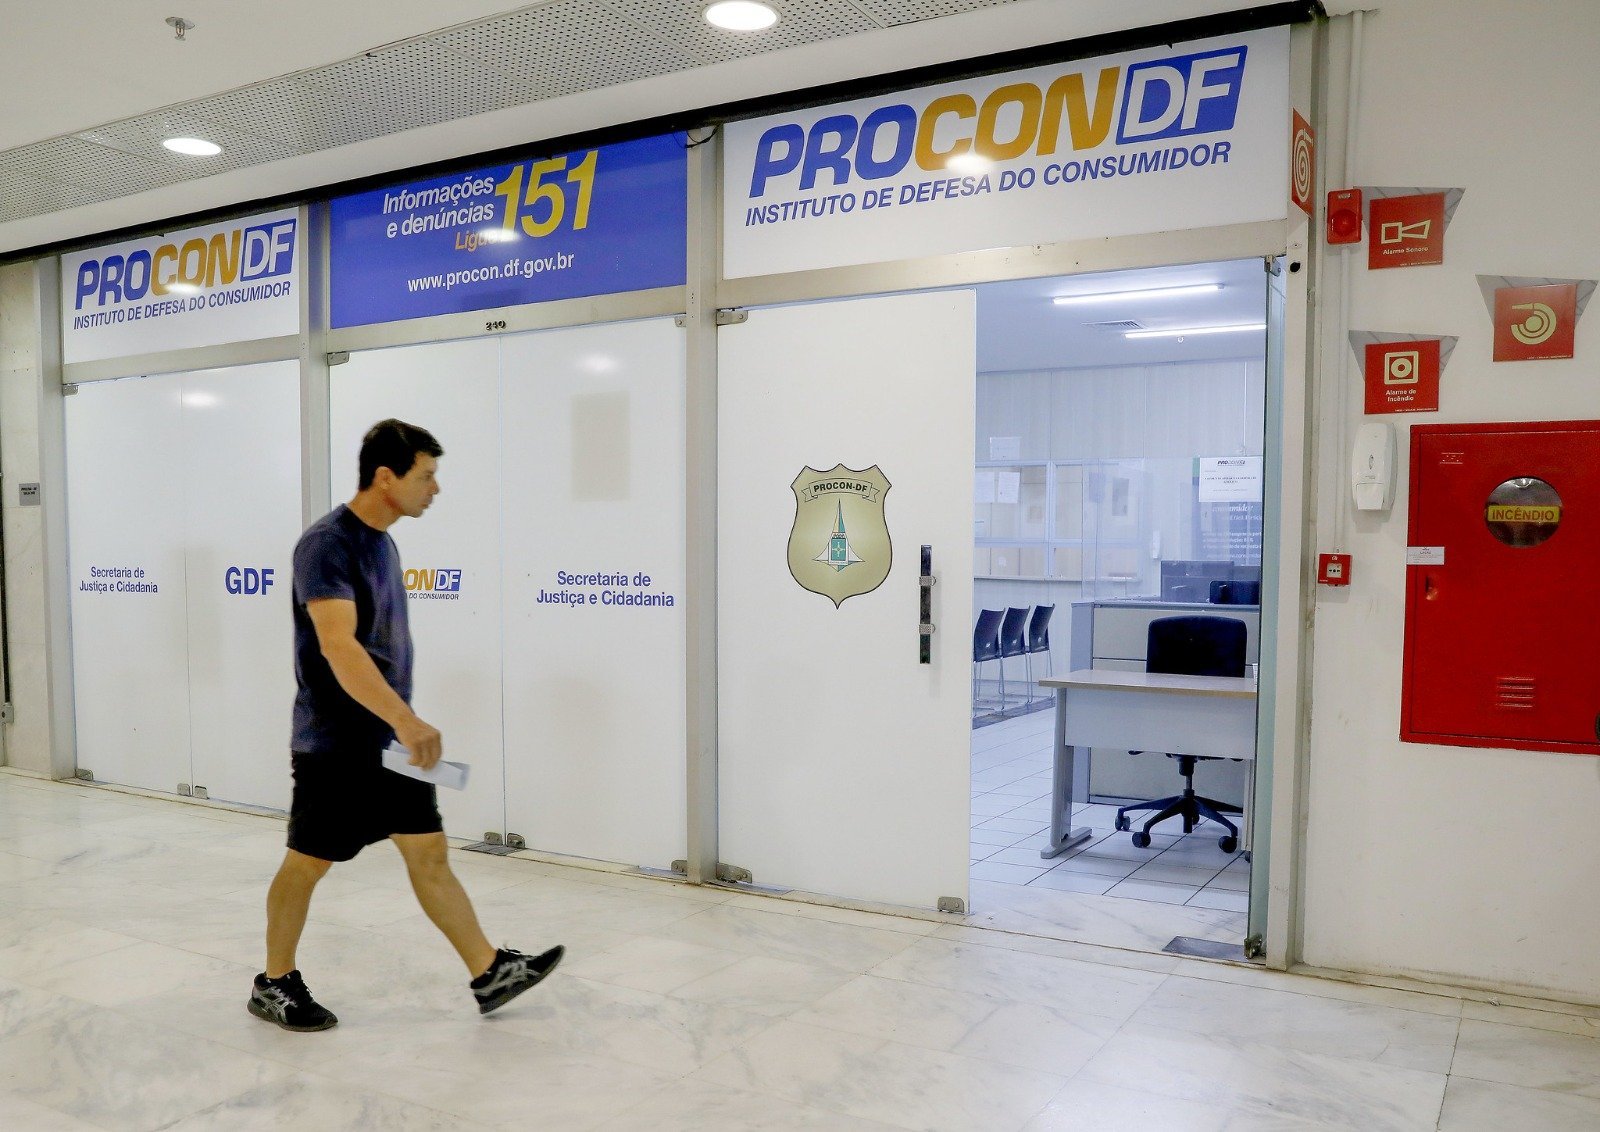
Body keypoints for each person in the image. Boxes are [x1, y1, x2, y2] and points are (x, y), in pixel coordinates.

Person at [250, 418, 562, 1032]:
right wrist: (406, 718)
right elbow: (338, 647)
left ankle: (489, 970)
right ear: (385, 477)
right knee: (307, 862)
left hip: (388, 743)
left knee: (428, 851)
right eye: (426, 476)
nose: (434, 489)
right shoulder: (326, 545)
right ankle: (274, 982)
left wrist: (399, 726)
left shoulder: (384, 543)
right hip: (337, 745)